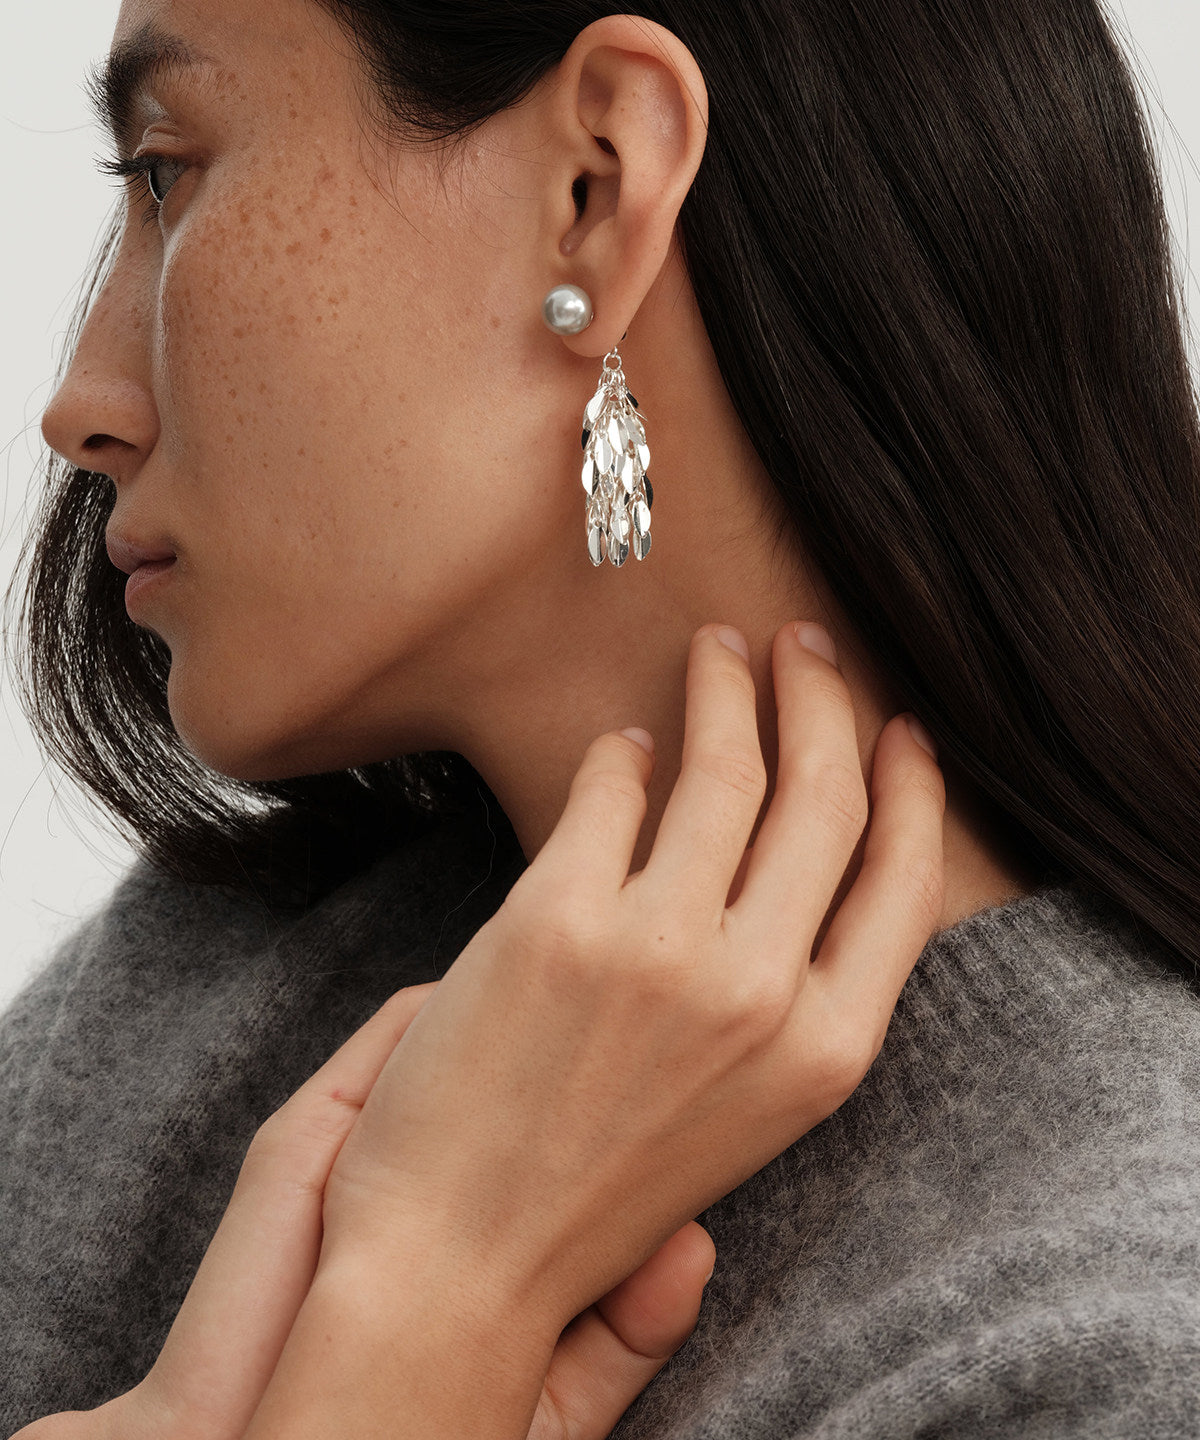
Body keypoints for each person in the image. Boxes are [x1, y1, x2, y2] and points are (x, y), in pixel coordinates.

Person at [3, 0, 1200, 1434]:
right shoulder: (176, 1005)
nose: (79, 405)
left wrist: (439, 1290)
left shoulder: (1118, 1362)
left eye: (164, 172)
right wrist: (434, 1308)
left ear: (596, 191)